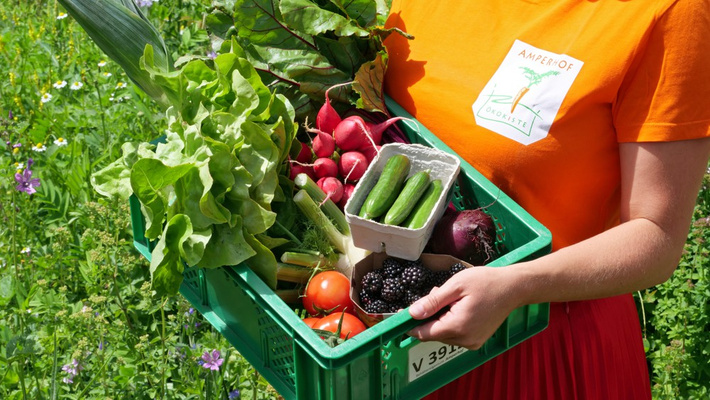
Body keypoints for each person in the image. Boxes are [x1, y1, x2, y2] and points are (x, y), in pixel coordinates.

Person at [382, 0, 710, 398]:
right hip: (392, 333)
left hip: (535, 345)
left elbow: (656, 234)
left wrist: (517, 285)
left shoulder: (665, 13)